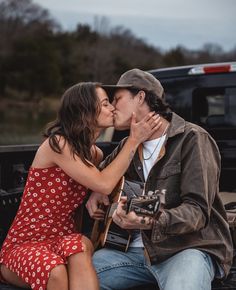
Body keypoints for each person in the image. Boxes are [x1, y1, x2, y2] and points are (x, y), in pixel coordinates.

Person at [0, 82, 161, 290]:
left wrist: (95, 198)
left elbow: (97, 185)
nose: (112, 108)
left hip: (62, 240)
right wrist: (134, 140)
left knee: (80, 245)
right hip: (25, 245)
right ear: (84, 111)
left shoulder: (95, 154)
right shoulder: (57, 144)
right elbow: (103, 182)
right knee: (55, 270)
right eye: (105, 104)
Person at [86, 69, 233, 290]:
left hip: (186, 249)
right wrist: (97, 191)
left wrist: (150, 219)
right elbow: (101, 176)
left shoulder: (193, 139)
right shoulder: (127, 145)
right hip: (131, 254)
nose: (113, 107)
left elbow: (198, 211)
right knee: (76, 279)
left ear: (141, 97)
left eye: (117, 99)